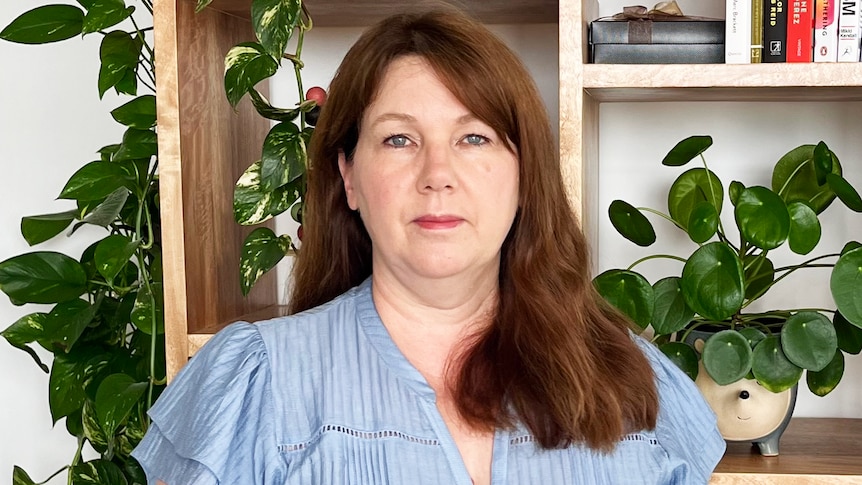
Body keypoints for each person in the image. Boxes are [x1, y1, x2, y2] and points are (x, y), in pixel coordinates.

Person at [132, 6, 725, 484]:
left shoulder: (631, 378)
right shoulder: (256, 384)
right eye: (398, 139)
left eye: (473, 137)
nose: (437, 173)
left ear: (525, 174)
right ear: (349, 177)